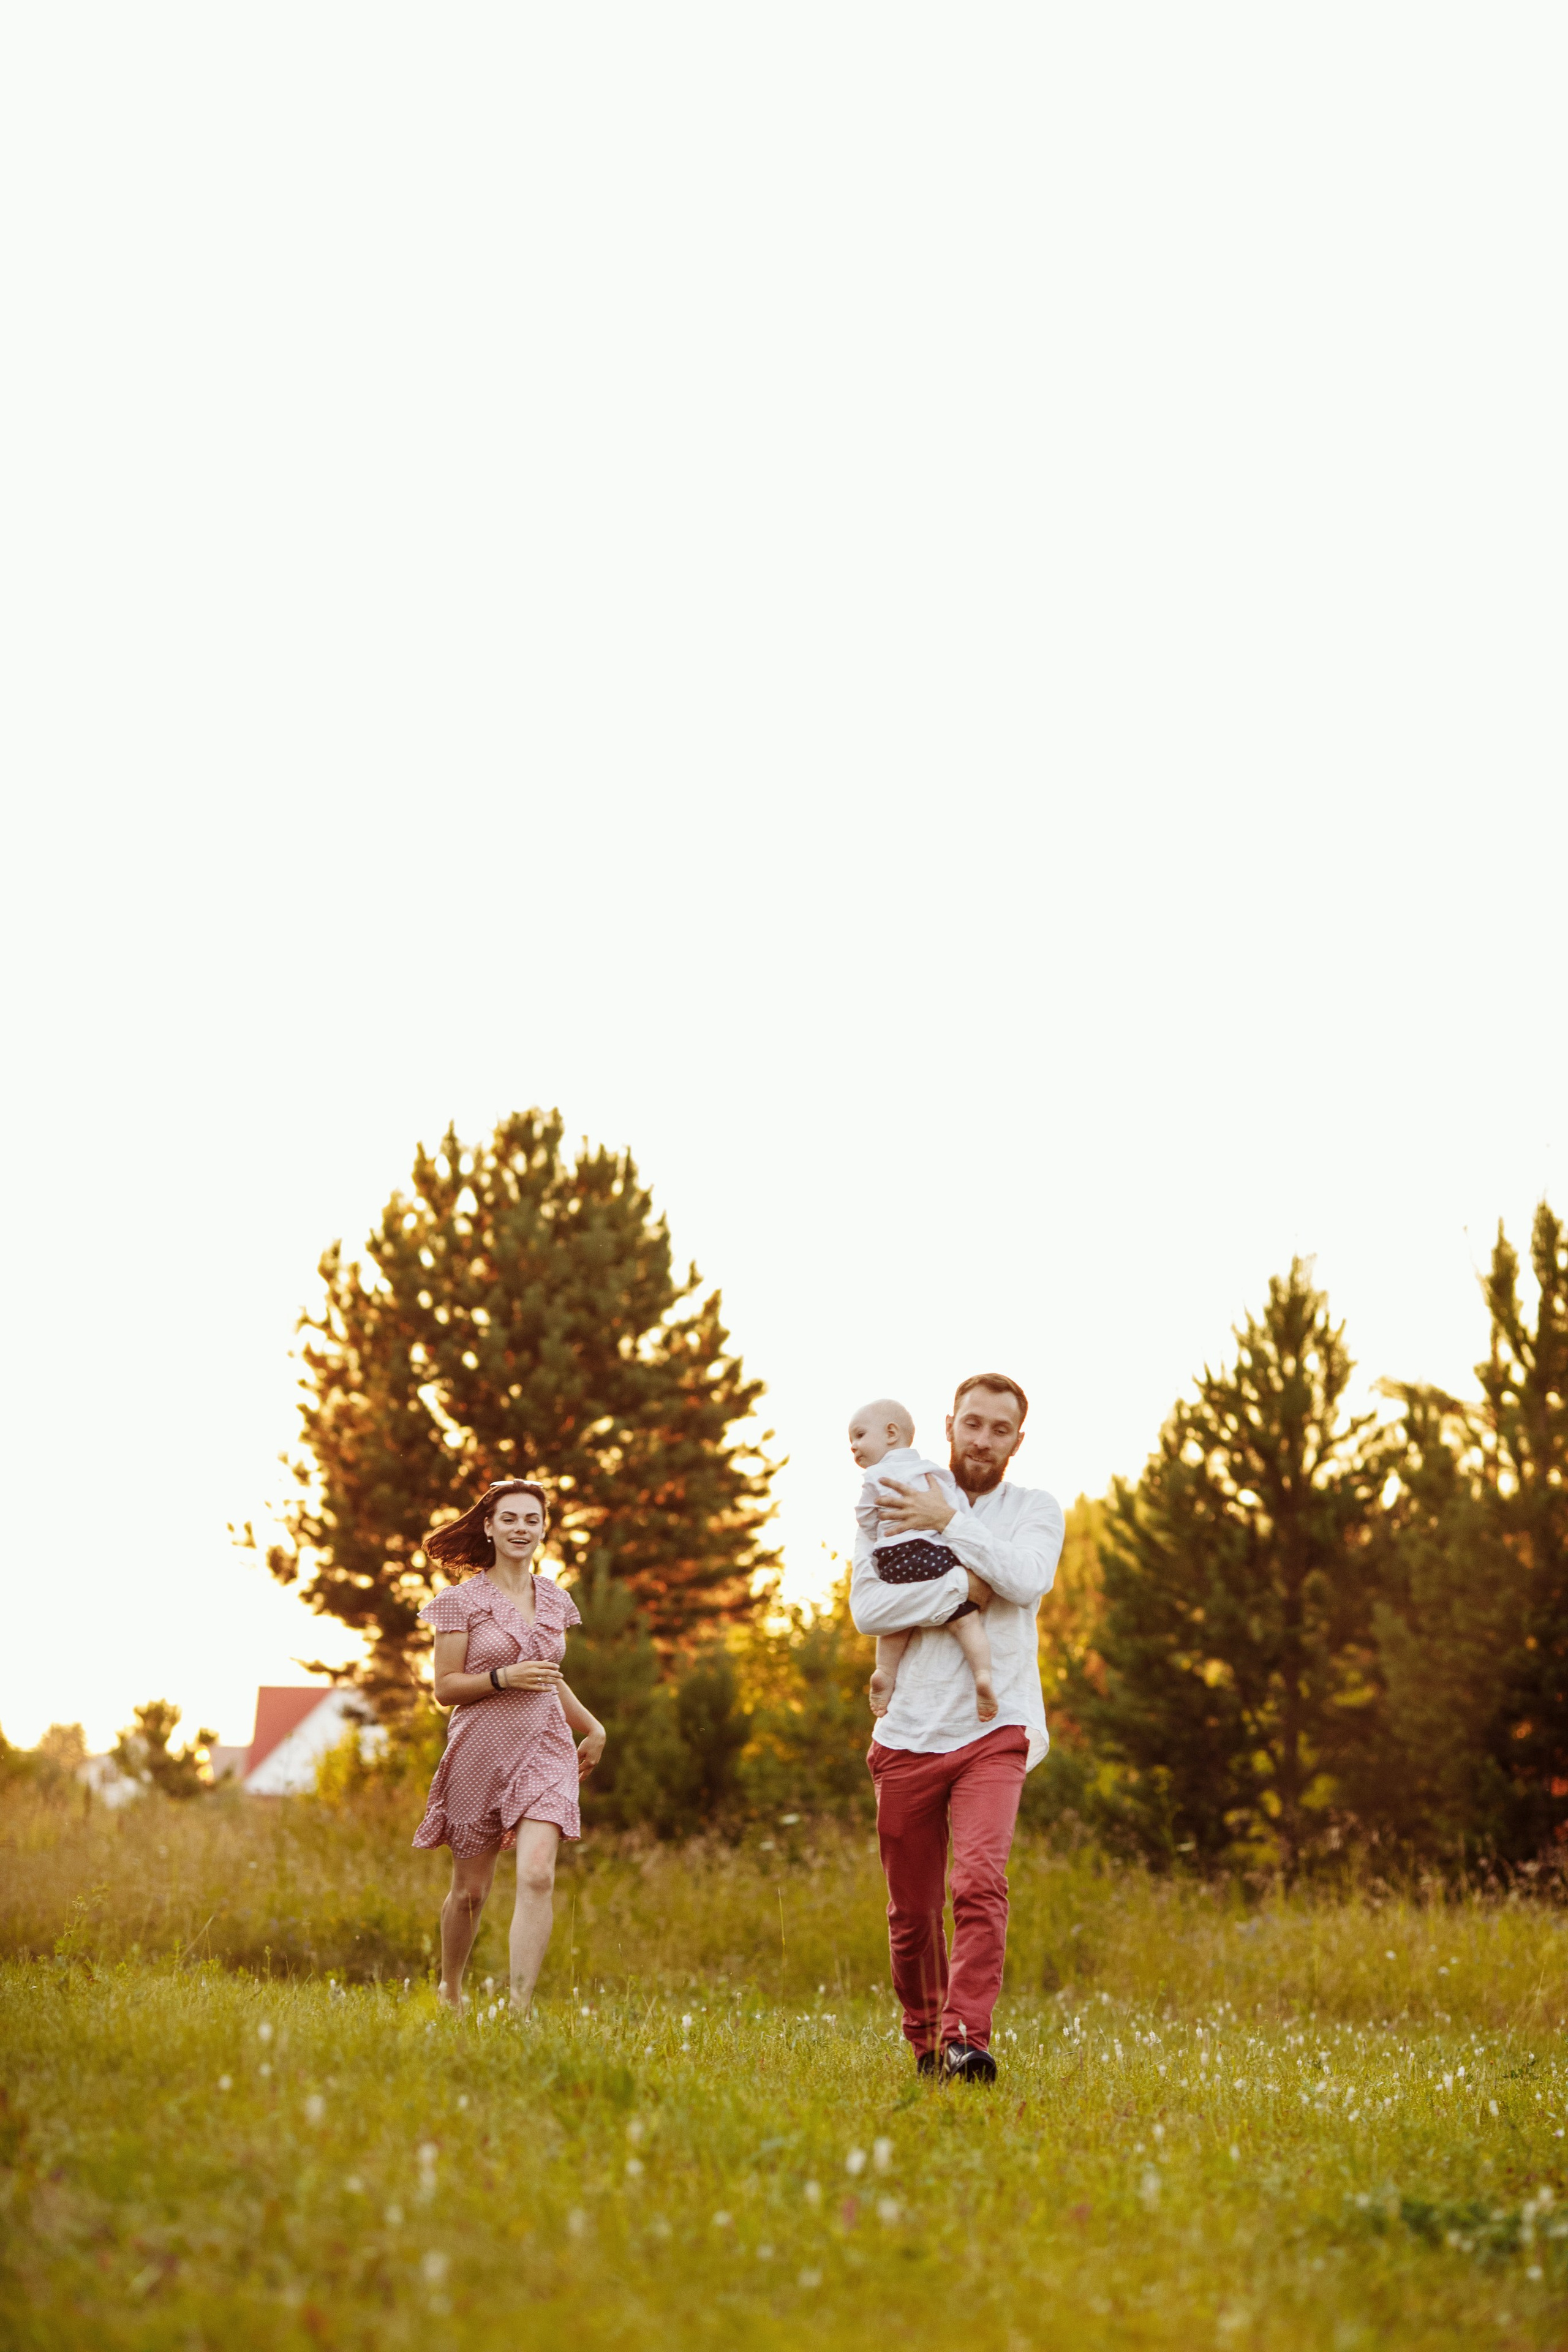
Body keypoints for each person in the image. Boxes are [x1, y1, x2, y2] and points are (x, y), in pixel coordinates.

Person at [850, 1374, 1063, 2084]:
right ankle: (925, 2044)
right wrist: (965, 1591)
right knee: (911, 1914)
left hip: (994, 1725)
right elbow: (870, 1609)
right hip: (907, 1729)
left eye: (999, 1430)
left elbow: (1026, 1580)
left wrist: (946, 1524)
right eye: (973, 1423)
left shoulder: (1035, 1509)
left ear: (1017, 1440)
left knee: (978, 1882)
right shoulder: (894, 1486)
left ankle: (968, 2038)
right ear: (948, 1423)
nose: (982, 1440)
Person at [412, 1478, 606, 2013]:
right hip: (480, 1750)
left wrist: (593, 1727)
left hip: (545, 1747)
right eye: (510, 1519)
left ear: (544, 1530)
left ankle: (518, 2008)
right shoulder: (459, 1602)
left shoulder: (555, 1599)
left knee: (539, 1873)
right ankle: (451, 1987)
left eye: (532, 1520)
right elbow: (445, 1688)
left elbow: (548, 1676)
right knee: (471, 1894)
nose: (522, 1528)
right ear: (490, 1527)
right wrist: (502, 1677)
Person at [849, 1398, 997, 1723]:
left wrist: (875, 1533)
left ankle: (885, 1673)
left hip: (892, 1558)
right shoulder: (933, 1471)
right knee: (965, 1622)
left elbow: (865, 1516)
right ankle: (983, 1674)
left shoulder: (875, 1475)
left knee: (896, 1622)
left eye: (859, 1436)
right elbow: (958, 1510)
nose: (854, 1447)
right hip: (932, 1555)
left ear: (891, 1433)